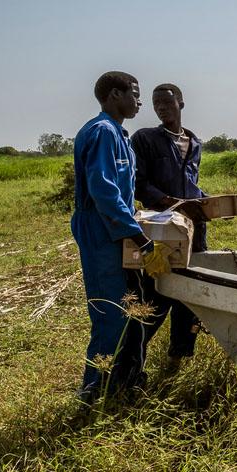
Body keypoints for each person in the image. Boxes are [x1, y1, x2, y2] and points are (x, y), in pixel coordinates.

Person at [71, 71, 170, 402]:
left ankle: (122, 383)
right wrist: (141, 239)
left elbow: (123, 192)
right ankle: (93, 394)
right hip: (100, 231)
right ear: (115, 94)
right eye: (134, 94)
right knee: (109, 313)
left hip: (117, 229)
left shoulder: (119, 134)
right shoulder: (102, 132)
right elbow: (104, 192)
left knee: (130, 306)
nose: (139, 102)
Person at [129, 83, 206, 367]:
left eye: (166, 102)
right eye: (156, 103)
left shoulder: (194, 142)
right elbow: (138, 185)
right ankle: (131, 361)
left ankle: (177, 358)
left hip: (192, 232)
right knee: (156, 294)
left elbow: (192, 187)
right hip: (160, 231)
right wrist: (170, 202)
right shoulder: (145, 139)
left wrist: (210, 203)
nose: (161, 108)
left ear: (181, 103)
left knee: (190, 296)